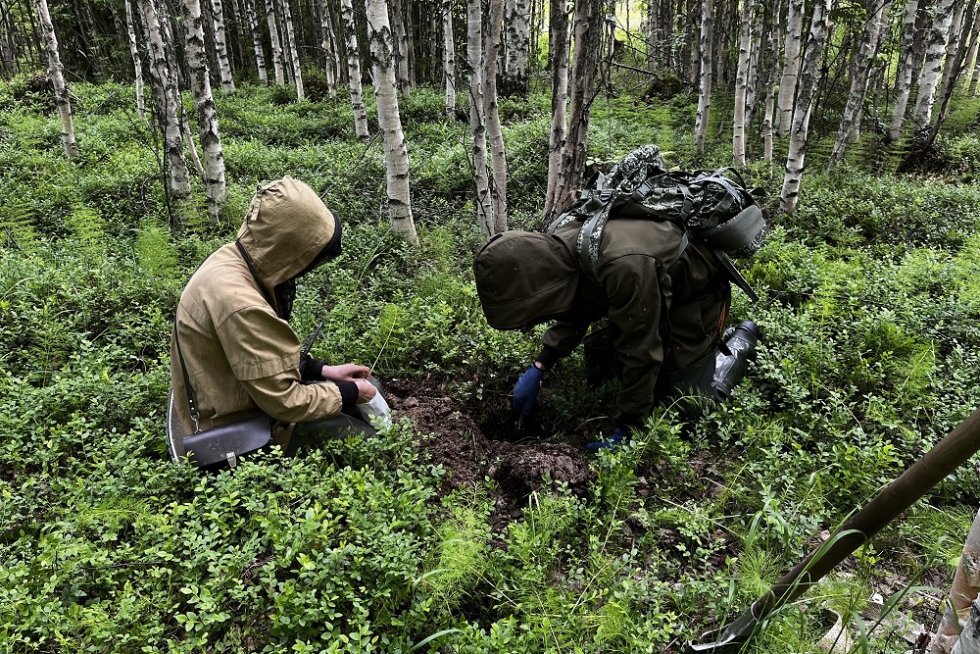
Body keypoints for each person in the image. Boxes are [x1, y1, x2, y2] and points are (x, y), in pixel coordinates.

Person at [473, 204, 761, 450]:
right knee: (601, 361)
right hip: (650, 293)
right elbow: (578, 304)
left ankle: (740, 339)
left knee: (688, 404)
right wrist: (541, 364)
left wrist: (629, 425)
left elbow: (642, 350)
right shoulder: (559, 250)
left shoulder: (624, 266)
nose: (528, 325)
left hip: (695, 297)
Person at [166, 176, 379, 464]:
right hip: (236, 433)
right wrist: (349, 392)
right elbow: (286, 403)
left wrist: (322, 370)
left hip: (242, 398)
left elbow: (259, 357)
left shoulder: (233, 260)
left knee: (367, 387)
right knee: (368, 442)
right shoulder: (241, 304)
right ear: (289, 248)